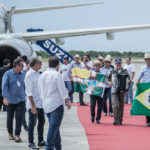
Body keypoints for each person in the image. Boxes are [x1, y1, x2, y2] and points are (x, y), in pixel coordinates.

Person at [38, 56, 71, 150]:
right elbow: (62, 90)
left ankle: (58, 147)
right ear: (57, 65)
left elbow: (39, 90)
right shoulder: (57, 75)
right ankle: (49, 147)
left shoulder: (42, 75)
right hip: (56, 104)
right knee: (53, 128)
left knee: (55, 127)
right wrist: (67, 101)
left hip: (46, 105)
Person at [2, 58, 26, 142]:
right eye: (21, 65)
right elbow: (4, 86)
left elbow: (25, 85)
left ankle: (17, 135)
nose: (23, 67)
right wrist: (5, 98)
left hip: (21, 100)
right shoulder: (8, 74)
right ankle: (10, 133)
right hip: (10, 100)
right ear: (16, 66)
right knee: (10, 117)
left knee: (19, 117)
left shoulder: (23, 74)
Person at [25, 57, 45, 150]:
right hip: (33, 104)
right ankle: (31, 142)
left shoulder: (38, 74)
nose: (41, 65)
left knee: (42, 122)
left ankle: (40, 140)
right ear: (36, 64)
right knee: (32, 123)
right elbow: (29, 92)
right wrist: (33, 106)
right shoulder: (29, 75)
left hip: (40, 103)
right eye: (40, 63)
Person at [107, 58, 130, 125]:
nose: (118, 64)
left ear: (121, 63)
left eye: (119, 63)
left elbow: (129, 79)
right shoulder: (112, 71)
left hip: (122, 91)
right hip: (114, 90)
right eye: (117, 63)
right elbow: (107, 78)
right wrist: (109, 82)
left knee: (121, 106)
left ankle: (120, 120)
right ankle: (115, 119)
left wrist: (128, 82)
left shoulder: (125, 71)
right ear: (115, 64)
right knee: (115, 105)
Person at [136, 53, 150, 127]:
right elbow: (139, 77)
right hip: (146, 89)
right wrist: (137, 82)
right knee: (147, 105)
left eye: (149, 59)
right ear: (145, 60)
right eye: (147, 59)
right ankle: (148, 121)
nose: (148, 60)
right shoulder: (143, 68)